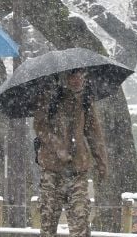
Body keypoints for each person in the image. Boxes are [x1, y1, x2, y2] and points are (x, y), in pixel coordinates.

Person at [33, 68, 107, 237]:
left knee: (80, 220)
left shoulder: (86, 101)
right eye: (72, 75)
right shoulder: (48, 97)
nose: (77, 79)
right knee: (48, 220)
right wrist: (57, 146)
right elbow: (40, 126)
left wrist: (102, 162)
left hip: (77, 169)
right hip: (52, 169)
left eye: (80, 74)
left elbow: (94, 134)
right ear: (63, 77)